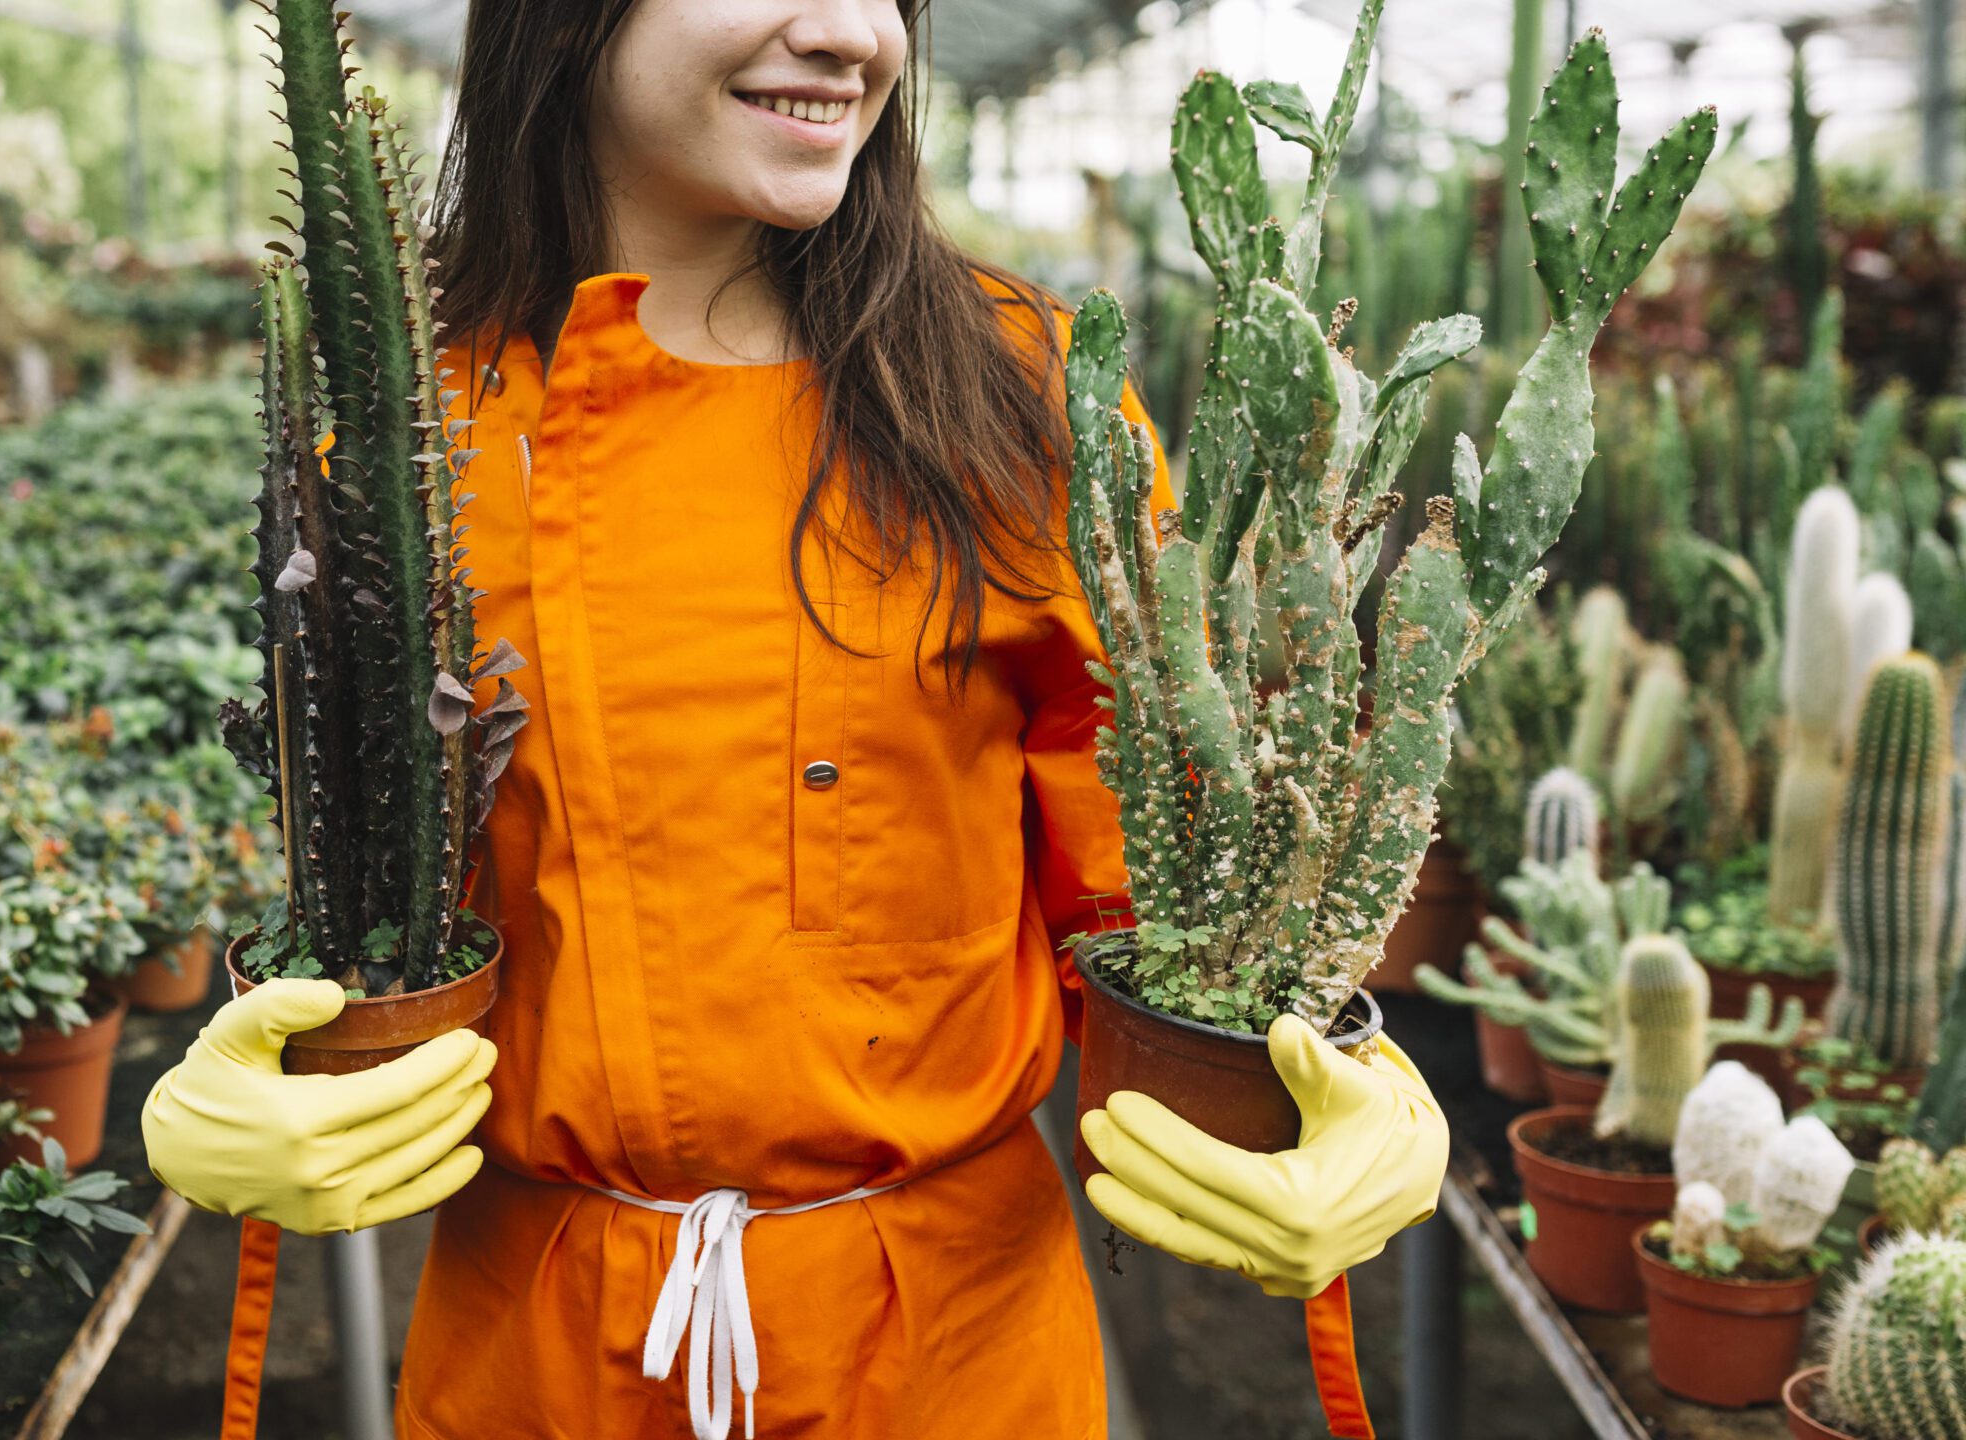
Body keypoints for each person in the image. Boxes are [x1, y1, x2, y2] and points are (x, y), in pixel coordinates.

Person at [143, 2, 1449, 1436]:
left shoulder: (1018, 392)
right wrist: (251, 1071)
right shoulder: (413, 443)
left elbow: (1173, 897)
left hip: (949, 1352)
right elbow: (380, 914)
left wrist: (1350, 1072)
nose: (846, 33)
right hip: (544, 1352)